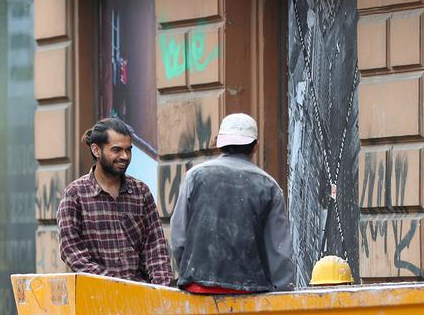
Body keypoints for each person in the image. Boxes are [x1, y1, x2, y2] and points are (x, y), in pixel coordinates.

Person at [170, 113, 295, 294]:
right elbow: (279, 252)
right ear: (255, 146)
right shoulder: (268, 185)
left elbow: (178, 239)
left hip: (198, 288)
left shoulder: (194, 176)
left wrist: (189, 272)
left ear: (218, 142)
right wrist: (281, 293)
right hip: (249, 292)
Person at [56, 118, 173, 286]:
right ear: (96, 150)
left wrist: (163, 291)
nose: (125, 156)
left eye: (128, 150)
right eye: (117, 150)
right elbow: (72, 252)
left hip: (140, 299)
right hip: (97, 300)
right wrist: (115, 286)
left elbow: (155, 248)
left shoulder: (141, 192)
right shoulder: (75, 195)